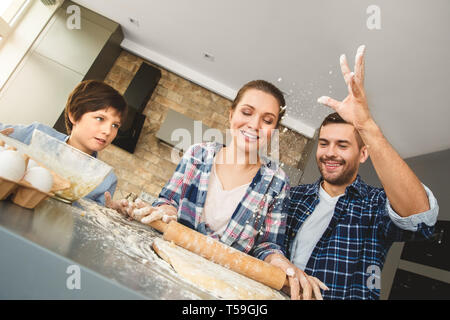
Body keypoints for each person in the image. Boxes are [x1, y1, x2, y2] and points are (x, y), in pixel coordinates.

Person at [108, 80, 328, 300]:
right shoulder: (198, 154)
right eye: (247, 112)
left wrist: (280, 262)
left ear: (274, 131)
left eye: (267, 120)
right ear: (231, 114)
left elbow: (267, 245)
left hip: (221, 291)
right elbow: (169, 201)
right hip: (164, 270)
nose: (254, 124)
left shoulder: (277, 182)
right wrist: (167, 211)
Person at [284, 45, 439, 299]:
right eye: (324, 144)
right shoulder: (294, 196)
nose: (330, 152)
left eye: (342, 145)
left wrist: (366, 125)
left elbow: (421, 219)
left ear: (363, 154)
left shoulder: (375, 206)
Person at [0, 80, 127, 206]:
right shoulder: (37, 136)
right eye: (100, 118)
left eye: (115, 125)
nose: (108, 131)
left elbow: (91, 218)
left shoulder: (106, 180)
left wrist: (112, 211)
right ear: (74, 115)